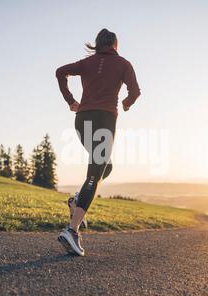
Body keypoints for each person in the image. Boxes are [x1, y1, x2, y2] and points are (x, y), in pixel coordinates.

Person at [55, 28, 141, 256]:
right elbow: (135, 91)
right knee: (95, 172)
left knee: (105, 166)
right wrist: (126, 103)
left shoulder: (86, 63)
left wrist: (70, 100)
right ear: (115, 44)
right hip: (104, 120)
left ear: (97, 44)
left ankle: (76, 202)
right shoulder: (123, 63)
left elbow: (60, 72)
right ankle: (72, 230)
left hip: (82, 120)